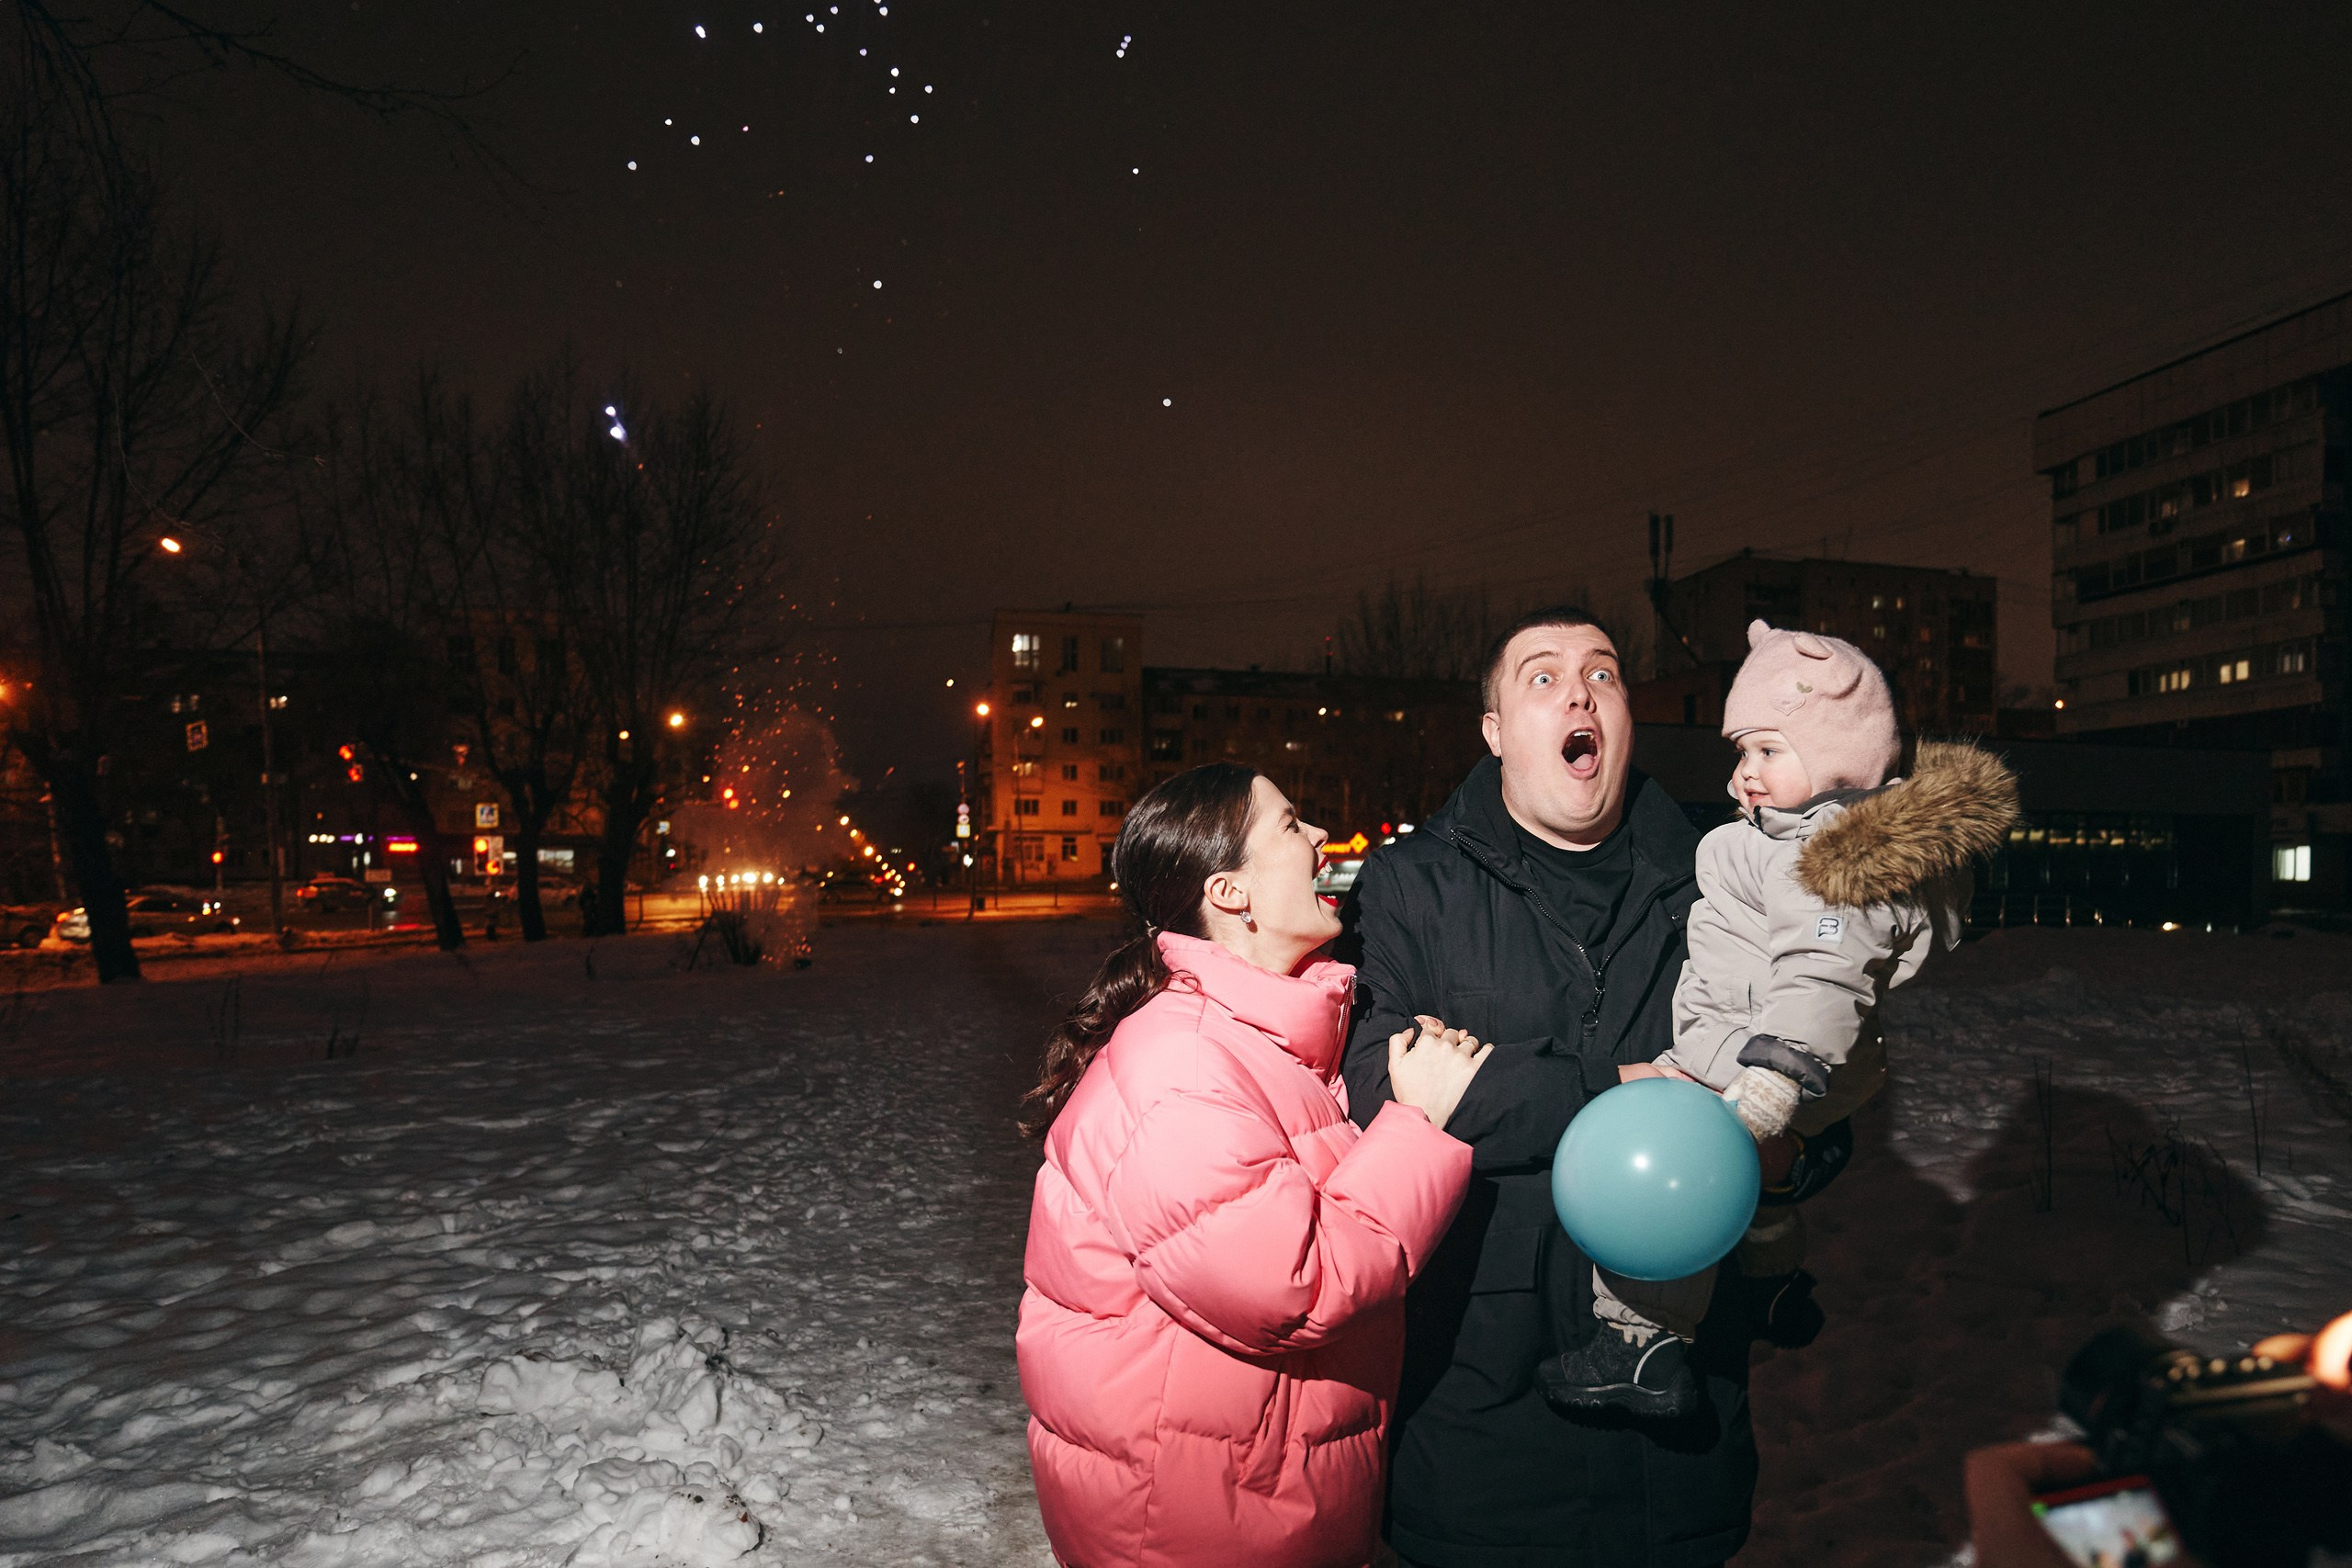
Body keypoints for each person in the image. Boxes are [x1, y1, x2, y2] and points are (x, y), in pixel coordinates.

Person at [1340, 606, 1849, 1567]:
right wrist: (1611, 1089)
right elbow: (1378, 1083)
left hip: (1678, 1450)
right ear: (1493, 730)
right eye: (1540, 677)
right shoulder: (1410, 887)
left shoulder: (1723, 880)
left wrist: (1797, 1143)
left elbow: (1817, 1065)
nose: (1578, 690)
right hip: (1476, 1440)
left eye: (1603, 675)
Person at [1017, 762, 1491, 1568]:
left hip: (1250, 1497)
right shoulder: (1184, 1067)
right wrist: (1414, 1123)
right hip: (1196, 1528)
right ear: (1229, 892)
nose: (1317, 839)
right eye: (1290, 823)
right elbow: (1293, 1284)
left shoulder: (1259, 1044)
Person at [1547, 618, 2017, 1418]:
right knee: (1754, 1182)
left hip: (1761, 1052)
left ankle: (1639, 1341)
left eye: (1768, 751)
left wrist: (1775, 1074)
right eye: (1742, 752)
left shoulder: (1830, 859)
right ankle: (1770, 1283)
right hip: (1762, 1044)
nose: (1746, 773)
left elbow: (1823, 974)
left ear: (1837, 756)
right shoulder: (1790, 839)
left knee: (1664, 1162)